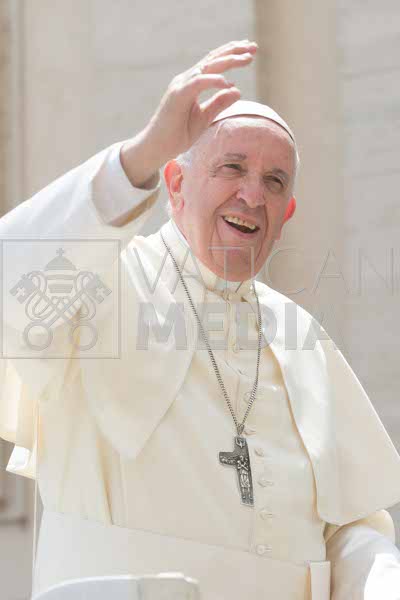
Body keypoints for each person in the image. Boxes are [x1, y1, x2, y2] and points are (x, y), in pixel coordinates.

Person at [1, 39, 400, 600]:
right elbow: (10, 281)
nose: (252, 195)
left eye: (275, 182)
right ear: (176, 184)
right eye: (232, 167)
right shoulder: (97, 288)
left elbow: (350, 525)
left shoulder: (301, 338)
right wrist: (140, 155)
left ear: (286, 213)